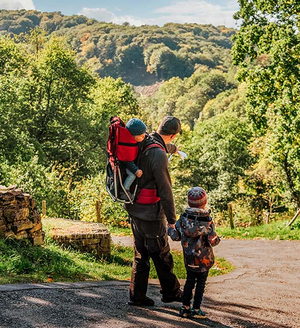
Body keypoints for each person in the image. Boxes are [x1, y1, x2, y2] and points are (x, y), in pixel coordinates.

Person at [124, 116, 183, 306]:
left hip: (135, 209)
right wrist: (172, 220)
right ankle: (171, 293)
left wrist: (174, 150)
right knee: (161, 254)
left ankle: (137, 296)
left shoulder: (145, 139)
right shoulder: (159, 154)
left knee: (141, 254)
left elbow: (164, 147)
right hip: (151, 213)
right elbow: (166, 191)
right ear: (173, 135)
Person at [168, 187, 220, 318]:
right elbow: (212, 241)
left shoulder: (183, 220)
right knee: (201, 284)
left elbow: (176, 236)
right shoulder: (208, 221)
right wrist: (217, 239)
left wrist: (169, 229)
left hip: (190, 259)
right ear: (204, 202)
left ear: (188, 202)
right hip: (204, 260)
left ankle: (185, 308)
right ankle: (196, 309)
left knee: (189, 282)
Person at [120, 118, 147, 199]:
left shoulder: (131, 141)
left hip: (127, 162)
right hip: (123, 164)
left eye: (144, 134)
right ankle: (124, 191)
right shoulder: (128, 147)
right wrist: (136, 171)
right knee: (132, 175)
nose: (144, 136)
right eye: (141, 135)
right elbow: (128, 162)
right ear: (132, 136)